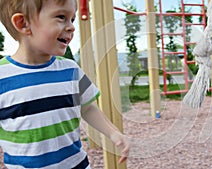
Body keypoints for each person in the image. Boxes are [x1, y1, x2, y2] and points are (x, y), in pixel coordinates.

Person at [0, 0, 130, 168]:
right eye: (61, 17)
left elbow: (88, 107)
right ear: (23, 23)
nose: (71, 27)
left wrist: (113, 133)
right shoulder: (3, 77)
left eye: (72, 19)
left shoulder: (71, 70)